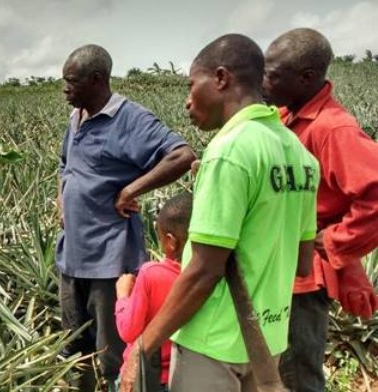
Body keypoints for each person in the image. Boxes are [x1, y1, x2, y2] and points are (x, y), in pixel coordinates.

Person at [119, 34, 319, 392]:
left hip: (211, 342)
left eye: (192, 84)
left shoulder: (228, 151)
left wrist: (143, 345)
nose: (187, 100)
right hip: (267, 337)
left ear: (222, 78)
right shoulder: (300, 155)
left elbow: (203, 272)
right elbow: (303, 263)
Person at [57, 43, 196, 391]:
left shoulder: (130, 119)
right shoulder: (77, 118)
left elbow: (180, 155)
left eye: (71, 81)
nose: (65, 88)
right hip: (72, 255)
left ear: (96, 79)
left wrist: (131, 190)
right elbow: (65, 165)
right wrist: (63, 200)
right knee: (74, 345)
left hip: (109, 258)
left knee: (112, 354)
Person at [263, 28, 378, 392]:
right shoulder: (284, 115)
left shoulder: (333, 129)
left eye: (273, 74)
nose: (264, 81)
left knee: (296, 373)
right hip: (279, 267)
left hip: (303, 276)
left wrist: (333, 241)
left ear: (307, 77)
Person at [115, 192, 192, 391]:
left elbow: (128, 331)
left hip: (145, 377)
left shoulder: (151, 274)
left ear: (171, 241)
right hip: (181, 375)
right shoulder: (207, 278)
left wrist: (122, 296)